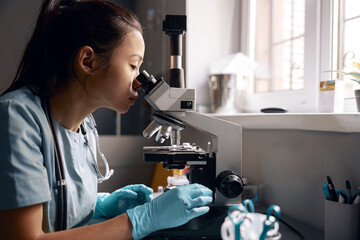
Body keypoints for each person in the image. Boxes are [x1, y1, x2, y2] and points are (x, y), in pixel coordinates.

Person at [0, 0, 213, 239]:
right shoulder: (17, 117)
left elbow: (58, 213)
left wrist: (98, 206)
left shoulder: (85, 126)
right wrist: (141, 220)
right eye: (133, 65)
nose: (139, 82)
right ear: (88, 61)